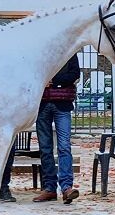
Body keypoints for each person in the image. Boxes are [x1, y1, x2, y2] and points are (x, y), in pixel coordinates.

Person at [32, 55, 81, 204]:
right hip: (42, 104)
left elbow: (74, 74)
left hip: (62, 104)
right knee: (45, 148)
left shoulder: (70, 53)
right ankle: (49, 187)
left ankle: (66, 187)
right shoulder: (41, 52)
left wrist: (53, 81)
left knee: (64, 146)